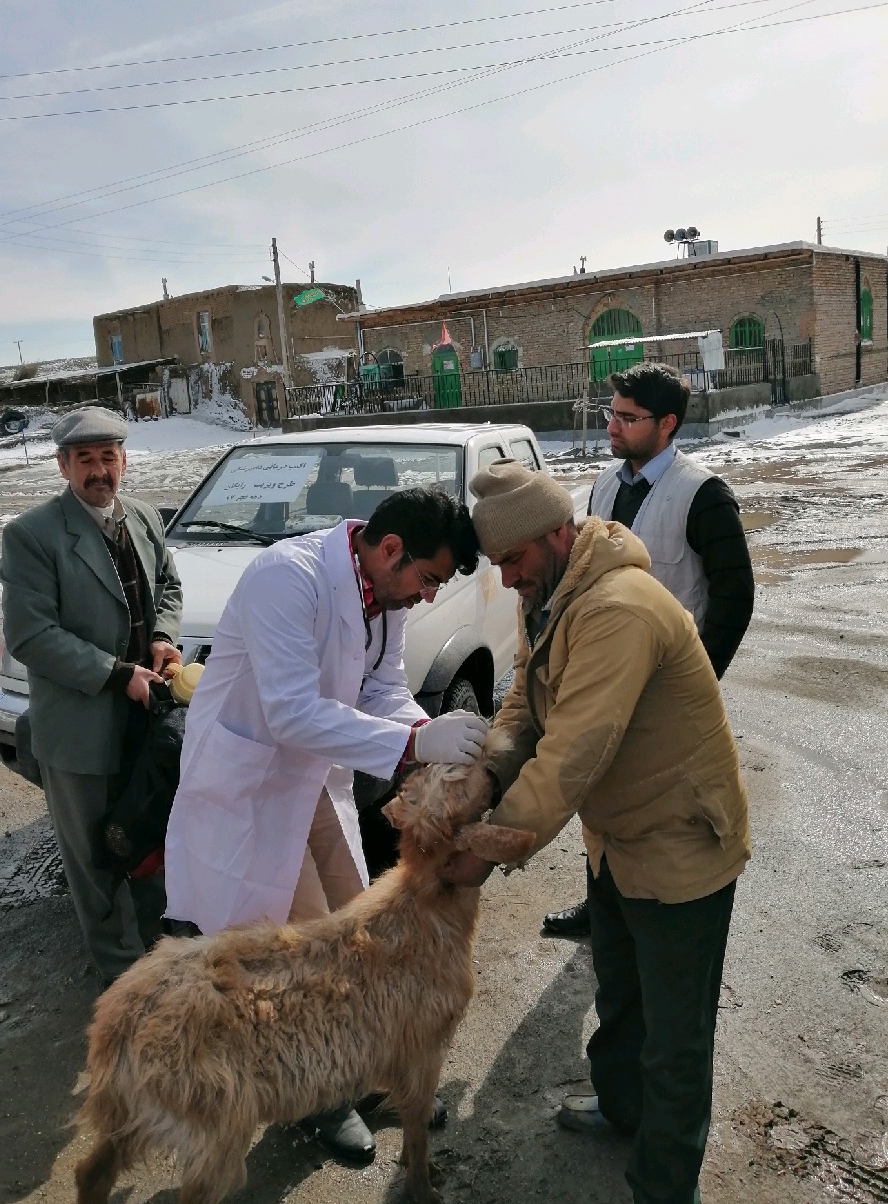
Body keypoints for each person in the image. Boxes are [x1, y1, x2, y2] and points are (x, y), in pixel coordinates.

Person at [444, 458, 750, 1204]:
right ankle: (622, 1110)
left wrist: (486, 847)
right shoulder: (551, 590)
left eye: (512, 561)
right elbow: (525, 701)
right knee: (621, 994)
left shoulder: (618, 607)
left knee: (675, 1039)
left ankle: (663, 1185)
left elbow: (573, 750)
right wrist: (484, 779)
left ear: (555, 534)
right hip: (615, 838)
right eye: (498, 565)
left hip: (679, 842)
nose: (507, 579)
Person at [163, 484, 488, 1163]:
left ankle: (363, 1072)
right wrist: (410, 749)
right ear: (391, 549)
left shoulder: (382, 594)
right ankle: (314, 1102)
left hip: (313, 777)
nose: (427, 597)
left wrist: (426, 727)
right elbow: (288, 711)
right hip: (251, 786)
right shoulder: (288, 578)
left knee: (359, 921)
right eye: (426, 580)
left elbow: (380, 688)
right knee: (303, 958)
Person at [544, 361, 754, 939]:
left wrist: (701, 680)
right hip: (610, 675)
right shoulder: (606, 485)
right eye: (612, 413)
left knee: (664, 810)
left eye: (628, 418)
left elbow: (735, 596)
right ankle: (602, 905)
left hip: (670, 688)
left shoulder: (702, 494)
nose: (613, 427)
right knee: (602, 791)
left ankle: (661, 919)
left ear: (668, 424)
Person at [0, 407, 183, 987]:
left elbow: (170, 587)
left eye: (109, 457)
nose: (99, 471)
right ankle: (122, 978)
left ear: (124, 461)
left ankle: (162, 956)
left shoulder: (146, 518)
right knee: (93, 860)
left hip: (144, 724)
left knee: (150, 837)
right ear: (63, 466)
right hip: (81, 729)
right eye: (85, 460)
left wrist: (162, 638)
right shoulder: (33, 535)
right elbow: (31, 634)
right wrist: (115, 673)